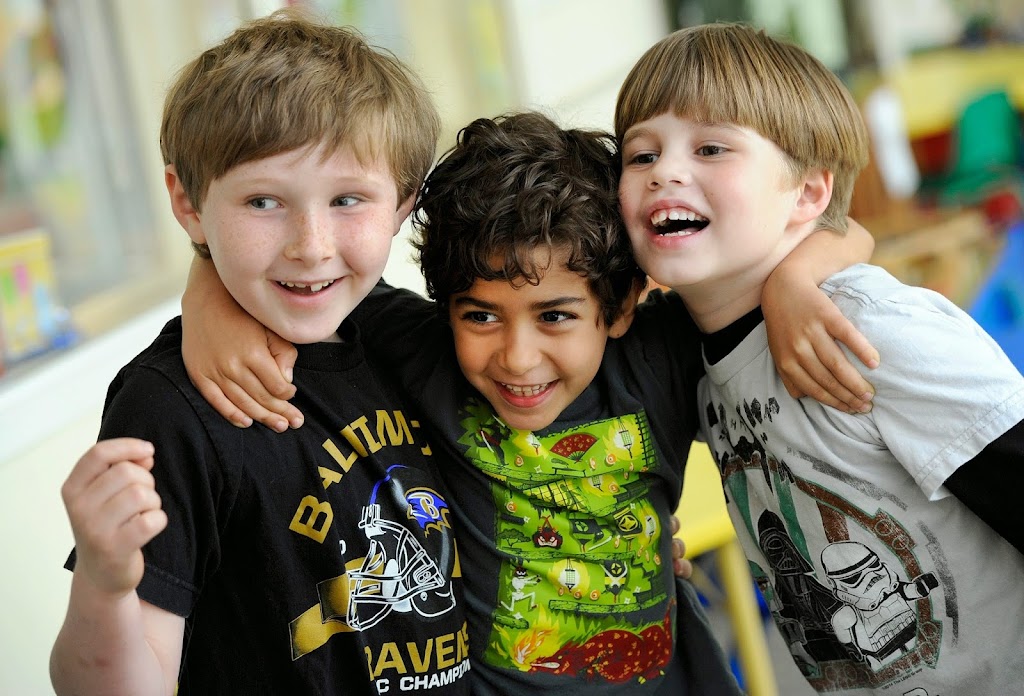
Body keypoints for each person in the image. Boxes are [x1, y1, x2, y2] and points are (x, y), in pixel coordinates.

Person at [180, 109, 877, 693]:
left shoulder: (656, 357)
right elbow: (308, 280)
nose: (516, 358)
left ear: (621, 305)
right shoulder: (425, 353)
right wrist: (205, 291)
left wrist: (792, 284)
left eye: (555, 317)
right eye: (481, 315)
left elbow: (839, 228)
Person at [49, 11, 473, 695]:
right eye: (263, 202)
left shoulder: (413, 343)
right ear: (187, 204)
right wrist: (104, 584)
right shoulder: (171, 406)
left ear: (403, 203)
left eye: (347, 199)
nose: (311, 245)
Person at [613, 23, 1024, 694]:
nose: (664, 171)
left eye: (711, 147)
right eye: (640, 155)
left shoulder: (871, 332)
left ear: (807, 193)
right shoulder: (690, 360)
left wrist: (798, 278)